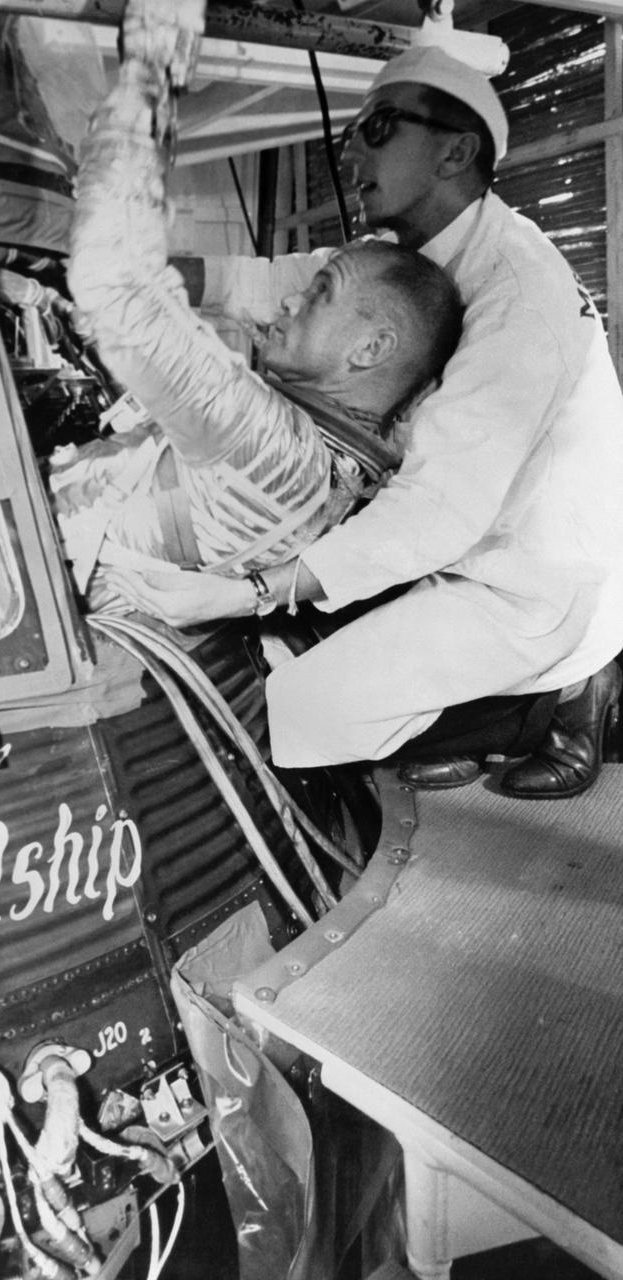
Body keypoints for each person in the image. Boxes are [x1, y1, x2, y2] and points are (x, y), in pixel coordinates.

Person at [110, 44, 623, 800]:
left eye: (378, 128)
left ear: (456, 152)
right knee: (282, 645)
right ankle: (455, 708)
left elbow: (439, 508)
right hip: (444, 546)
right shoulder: (412, 248)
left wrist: (254, 591)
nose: (351, 152)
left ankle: (547, 702)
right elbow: (290, 281)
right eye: (352, 132)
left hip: (521, 581)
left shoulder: (520, 296)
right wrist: (142, 274)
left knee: (292, 703)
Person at [51, 54, 461, 615]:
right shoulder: (331, 474)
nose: (291, 301)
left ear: (371, 349)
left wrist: (137, 98)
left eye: (319, 293)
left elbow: (113, 282)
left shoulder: (274, 448)